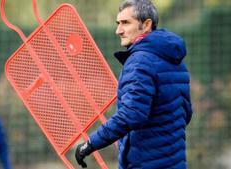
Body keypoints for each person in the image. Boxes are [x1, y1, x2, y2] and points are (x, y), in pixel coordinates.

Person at [75, 0, 193, 168]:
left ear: (146, 25)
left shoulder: (140, 61)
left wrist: (90, 144)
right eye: (118, 23)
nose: (118, 30)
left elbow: (131, 114)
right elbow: (185, 113)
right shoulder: (175, 61)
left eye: (125, 23)